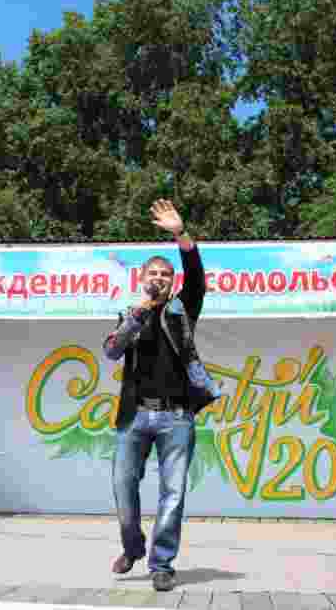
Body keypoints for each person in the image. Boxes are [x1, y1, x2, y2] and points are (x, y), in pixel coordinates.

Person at [102, 199, 219, 592]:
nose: (159, 278)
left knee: (173, 492)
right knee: (123, 486)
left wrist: (179, 234)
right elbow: (112, 350)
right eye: (153, 273)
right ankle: (132, 547)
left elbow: (197, 277)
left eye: (165, 275)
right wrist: (140, 309)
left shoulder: (182, 310)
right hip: (135, 416)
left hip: (176, 417)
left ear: (172, 282)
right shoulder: (130, 315)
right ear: (142, 278)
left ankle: (162, 563)